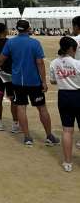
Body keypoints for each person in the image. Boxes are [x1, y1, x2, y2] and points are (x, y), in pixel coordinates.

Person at [0, 19, 59, 147]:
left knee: (21, 108)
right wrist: (44, 82)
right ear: (28, 29)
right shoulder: (35, 43)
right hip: (34, 81)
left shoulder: (10, 42)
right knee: (42, 108)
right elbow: (40, 63)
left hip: (17, 81)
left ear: (17, 29)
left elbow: (0, 61)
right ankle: (49, 136)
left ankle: (27, 137)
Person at [49, 36, 80, 172]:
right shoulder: (77, 63)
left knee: (67, 130)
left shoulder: (54, 63)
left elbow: (53, 81)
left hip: (63, 96)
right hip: (78, 94)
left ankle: (68, 162)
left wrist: (64, 78)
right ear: (71, 49)